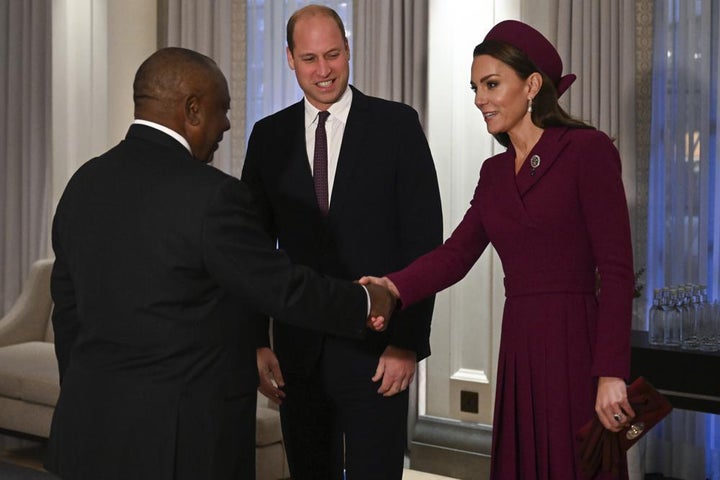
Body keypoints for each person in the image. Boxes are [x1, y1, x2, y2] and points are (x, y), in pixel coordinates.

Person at [46, 47, 395, 480]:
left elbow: (67, 311)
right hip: (181, 446)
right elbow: (279, 287)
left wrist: (88, 392)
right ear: (192, 110)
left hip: (86, 433)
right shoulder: (212, 197)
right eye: (222, 110)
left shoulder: (83, 183)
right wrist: (366, 300)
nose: (228, 124)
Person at [361, 20, 636, 480]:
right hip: (521, 342)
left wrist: (611, 373)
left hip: (577, 342)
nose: (478, 99)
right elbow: (455, 255)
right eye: (474, 87)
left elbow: (618, 270)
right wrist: (392, 285)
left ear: (531, 85)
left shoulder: (587, 151)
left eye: (491, 84)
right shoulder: (493, 174)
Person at [241, 5, 442, 479]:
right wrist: (255, 340)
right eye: (309, 58)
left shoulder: (397, 126)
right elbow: (250, 248)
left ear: (349, 50)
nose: (323, 70)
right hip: (296, 353)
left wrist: (408, 343)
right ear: (290, 59)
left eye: (333, 54)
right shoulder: (267, 137)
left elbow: (424, 243)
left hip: (377, 351)